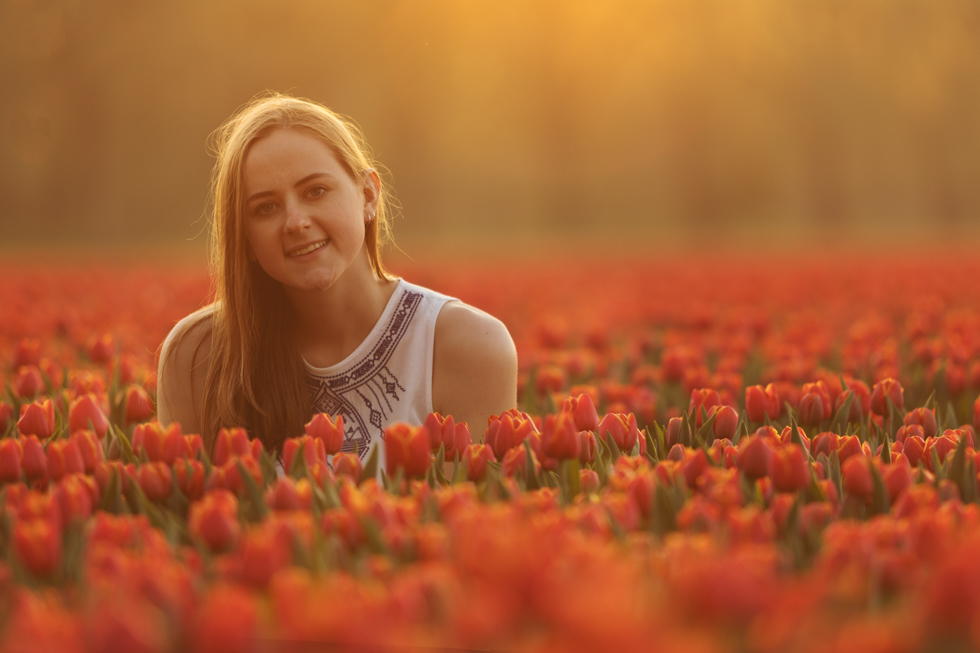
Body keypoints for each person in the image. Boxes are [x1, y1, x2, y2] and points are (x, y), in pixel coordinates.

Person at [156, 93, 517, 468]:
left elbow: (476, 516)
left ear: (368, 195)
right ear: (244, 237)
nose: (296, 222)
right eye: (266, 208)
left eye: (316, 191)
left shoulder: (467, 347)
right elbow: (183, 519)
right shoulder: (198, 356)